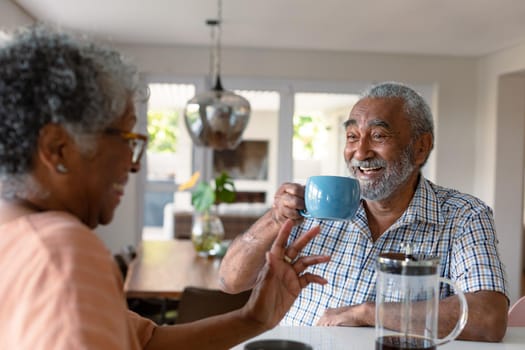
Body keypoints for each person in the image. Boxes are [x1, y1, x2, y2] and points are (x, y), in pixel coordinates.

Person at [0, 25, 331, 350]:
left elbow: (147, 341)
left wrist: (254, 318)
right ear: (58, 148)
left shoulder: (14, 233)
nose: (135, 164)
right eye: (128, 138)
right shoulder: (59, 251)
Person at [219, 81, 509, 342]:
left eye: (379, 136)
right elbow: (230, 281)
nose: (359, 152)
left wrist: (368, 312)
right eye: (352, 136)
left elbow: (488, 319)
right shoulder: (313, 206)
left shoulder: (464, 215)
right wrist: (275, 218)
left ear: (420, 148)